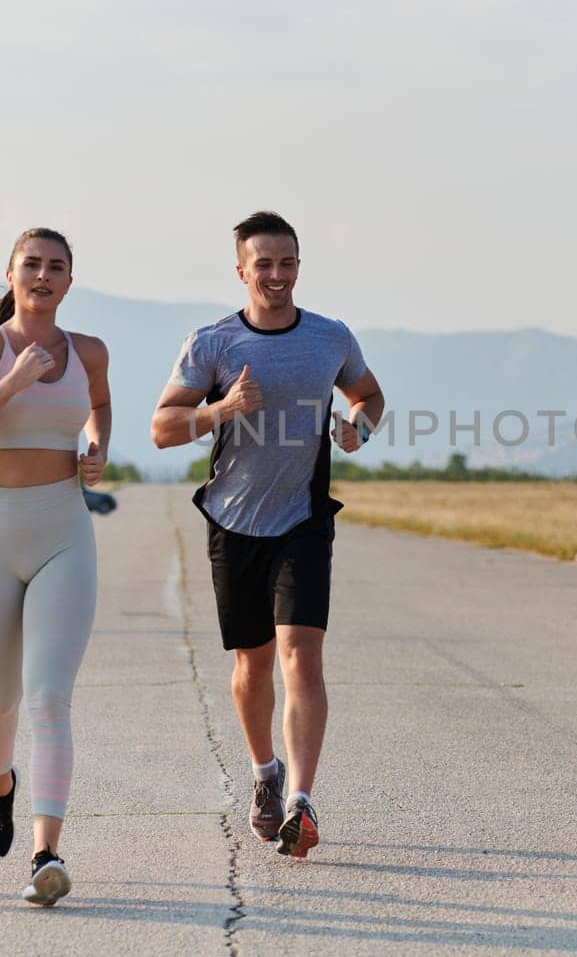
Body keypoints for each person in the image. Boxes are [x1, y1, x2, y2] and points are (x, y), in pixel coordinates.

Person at [152, 210, 383, 858]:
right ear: (241, 271)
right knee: (251, 666)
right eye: (264, 265)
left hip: (303, 520)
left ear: (299, 267)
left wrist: (356, 430)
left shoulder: (329, 337)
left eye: (287, 263)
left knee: (300, 656)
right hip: (233, 521)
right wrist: (223, 408)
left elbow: (370, 395)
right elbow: (162, 428)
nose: (276, 275)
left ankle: (302, 801)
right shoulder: (214, 343)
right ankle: (264, 772)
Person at [0, 227, 111, 906]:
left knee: (48, 696)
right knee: (1, 696)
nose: (42, 274)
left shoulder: (89, 351)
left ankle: (46, 853)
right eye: (30, 263)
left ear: (70, 281)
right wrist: (12, 380)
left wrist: (95, 447)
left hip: (65, 529)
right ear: (10, 274)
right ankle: (0, 783)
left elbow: (100, 407)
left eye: (55, 266)